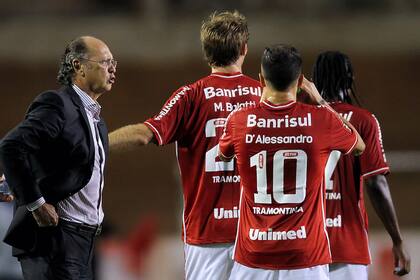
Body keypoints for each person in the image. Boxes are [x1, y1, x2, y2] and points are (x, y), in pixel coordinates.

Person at [109, 11, 261, 279]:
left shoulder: (190, 96)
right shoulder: (264, 96)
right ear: (244, 48)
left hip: (207, 235)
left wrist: (91, 143)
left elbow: (144, 134)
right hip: (258, 232)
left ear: (206, 52)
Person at [218, 44, 365, 280]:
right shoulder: (320, 120)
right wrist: (321, 101)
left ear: (261, 80)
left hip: (254, 258)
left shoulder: (239, 121)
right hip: (306, 258)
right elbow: (359, 145)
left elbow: (223, 154)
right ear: (300, 82)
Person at [0, 36, 117, 280]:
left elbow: (45, 157)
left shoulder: (97, 121)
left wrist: (20, 180)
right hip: (55, 240)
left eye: (114, 62)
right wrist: (36, 203)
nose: (113, 68)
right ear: (78, 66)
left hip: (83, 243)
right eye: (105, 62)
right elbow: (12, 146)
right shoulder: (58, 104)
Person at [312, 51, 410, 280]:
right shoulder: (362, 120)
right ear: (349, 78)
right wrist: (397, 239)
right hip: (346, 244)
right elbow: (376, 182)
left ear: (314, 81)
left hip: (304, 243)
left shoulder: (299, 119)